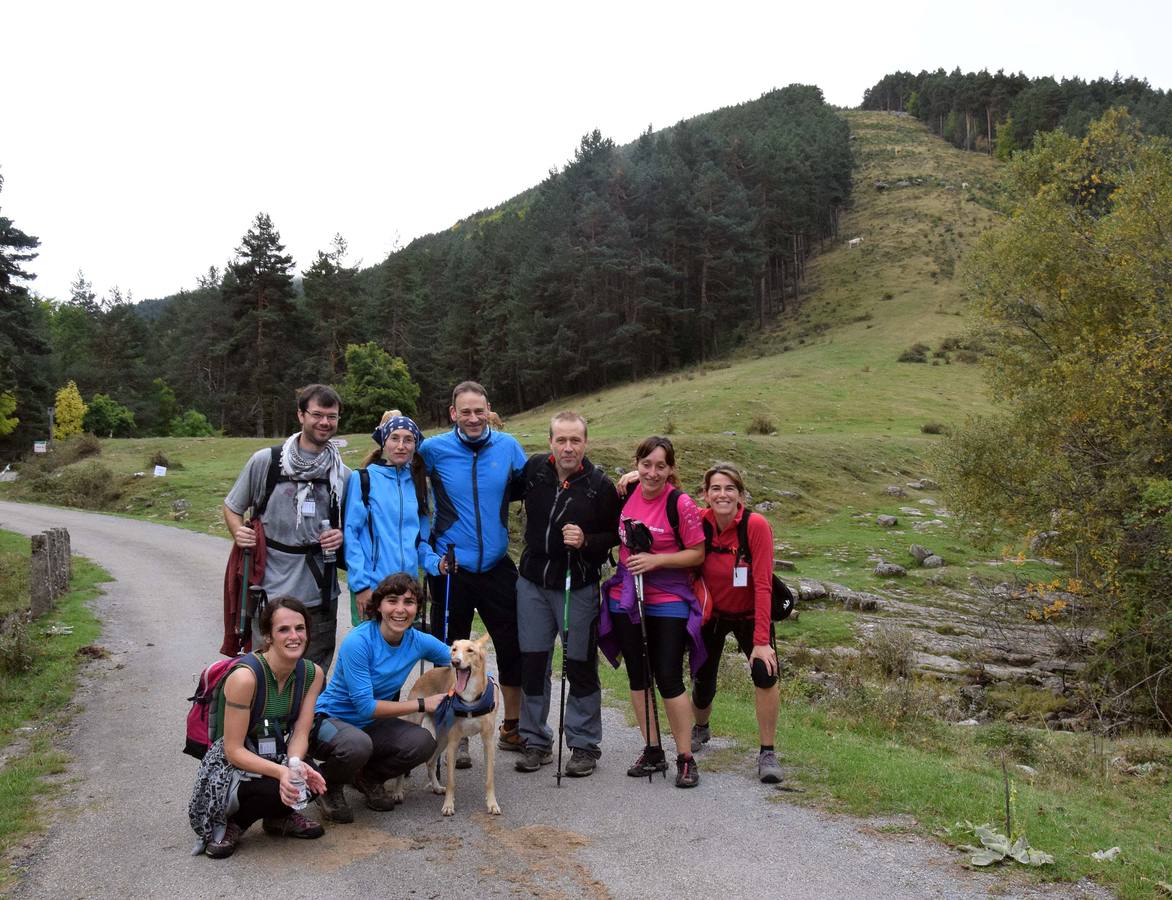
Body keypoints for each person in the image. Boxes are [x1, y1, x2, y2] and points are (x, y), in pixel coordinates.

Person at [418, 381, 527, 765]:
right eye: (465, 411)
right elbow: (395, 468)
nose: (473, 418)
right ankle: (454, 732)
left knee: (513, 647)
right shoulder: (432, 451)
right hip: (452, 569)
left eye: (479, 411)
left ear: (489, 410)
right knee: (450, 654)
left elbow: (537, 485)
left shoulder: (509, 447)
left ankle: (511, 726)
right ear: (453, 414)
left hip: (497, 566)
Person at [514, 412, 621, 777]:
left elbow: (614, 536)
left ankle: (584, 744)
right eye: (561, 440)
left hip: (578, 585)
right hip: (531, 583)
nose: (568, 447)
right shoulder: (534, 471)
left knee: (579, 664)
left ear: (586, 442)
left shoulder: (600, 485)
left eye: (575, 440)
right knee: (533, 663)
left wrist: (587, 540)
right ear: (550, 442)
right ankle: (535, 740)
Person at [599, 436, 707, 788]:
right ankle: (652, 748)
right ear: (637, 464)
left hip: (669, 599)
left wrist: (657, 560)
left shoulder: (681, 503)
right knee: (637, 674)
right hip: (627, 594)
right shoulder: (627, 492)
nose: (653, 472)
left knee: (668, 676)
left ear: (671, 469)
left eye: (661, 466)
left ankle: (686, 757)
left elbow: (697, 553)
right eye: (646, 464)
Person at [189, 597, 328, 859]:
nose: (294, 636)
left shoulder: (312, 673)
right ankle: (235, 824)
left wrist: (295, 765)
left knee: (311, 778)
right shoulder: (245, 678)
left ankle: (278, 818)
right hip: (231, 763)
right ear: (268, 636)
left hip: (274, 750)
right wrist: (281, 772)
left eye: (300, 628)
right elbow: (232, 750)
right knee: (273, 785)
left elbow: (300, 730)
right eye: (283, 630)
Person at [223, 384, 348, 672]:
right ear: (300, 415)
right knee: (264, 671)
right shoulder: (266, 462)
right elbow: (232, 506)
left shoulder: (342, 474)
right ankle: (263, 719)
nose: (325, 422)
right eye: (317, 415)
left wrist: (341, 535)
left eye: (332, 416)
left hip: (320, 593)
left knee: (313, 674)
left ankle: (308, 719)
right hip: (268, 589)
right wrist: (237, 530)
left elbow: (349, 527)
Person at [311, 573, 449, 823]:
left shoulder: (417, 640)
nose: (400, 609)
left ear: (417, 608)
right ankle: (328, 785)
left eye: (408, 602)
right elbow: (364, 707)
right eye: (392, 601)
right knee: (357, 744)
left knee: (423, 741)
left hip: (369, 726)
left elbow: (460, 658)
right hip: (327, 722)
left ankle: (367, 777)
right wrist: (421, 704)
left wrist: (490, 679)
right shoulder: (358, 641)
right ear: (379, 606)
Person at [691, 463, 784, 783]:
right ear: (705, 495)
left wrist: (761, 642)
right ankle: (701, 728)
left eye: (730, 488)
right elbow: (665, 494)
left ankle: (767, 752)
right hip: (712, 615)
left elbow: (763, 585)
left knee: (765, 672)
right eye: (715, 488)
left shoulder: (755, 526)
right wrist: (632, 478)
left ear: (740, 495)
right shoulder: (698, 523)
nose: (722, 494)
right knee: (702, 681)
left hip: (749, 615)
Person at [343, 410, 450, 626]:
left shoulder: (419, 484)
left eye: (408, 440)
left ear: (415, 445)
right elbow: (351, 535)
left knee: (402, 657)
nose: (401, 445)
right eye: (395, 438)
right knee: (370, 656)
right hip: (373, 588)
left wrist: (436, 564)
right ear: (384, 442)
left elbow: (419, 542)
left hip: (407, 592)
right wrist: (361, 586)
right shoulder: (363, 479)